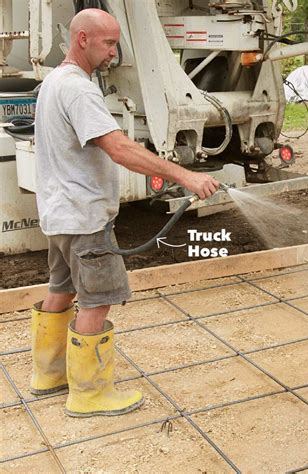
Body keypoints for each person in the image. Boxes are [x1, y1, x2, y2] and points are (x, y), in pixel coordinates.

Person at [30, 8, 219, 417]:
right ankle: (90, 394)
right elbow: (119, 148)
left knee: (61, 290)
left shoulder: (53, 82)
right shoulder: (79, 89)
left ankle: (47, 374)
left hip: (59, 214)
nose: (114, 52)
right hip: (85, 219)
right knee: (97, 302)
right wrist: (184, 176)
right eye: (108, 43)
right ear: (82, 39)